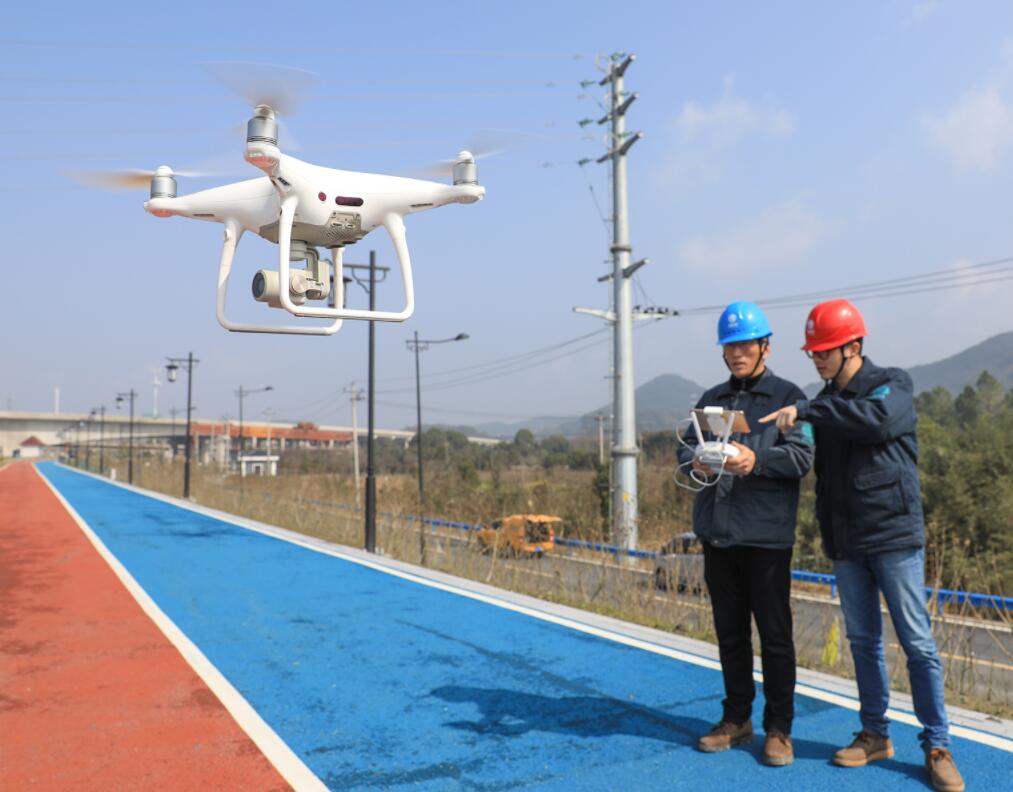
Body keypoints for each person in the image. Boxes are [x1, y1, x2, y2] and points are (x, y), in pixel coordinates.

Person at [760, 298, 964, 792]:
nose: (819, 359)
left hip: (893, 536)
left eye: (826, 350)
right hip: (847, 541)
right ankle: (875, 733)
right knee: (863, 642)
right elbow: (811, 459)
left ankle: (937, 744)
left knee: (916, 642)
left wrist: (808, 408)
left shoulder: (893, 384)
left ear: (855, 345)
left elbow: (875, 420)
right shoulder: (823, 404)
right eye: (814, 353)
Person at [677, 301, 814, 767]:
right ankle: (736, 719)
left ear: (765, 347)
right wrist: (694, 461)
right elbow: (685, 451)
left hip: (766, 539)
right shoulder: (710, 400)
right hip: (718, 534)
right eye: (730, 345)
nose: (737, 353)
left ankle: (780, 728)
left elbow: (801, 459)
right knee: (729, 633)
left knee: (775, 637)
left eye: (745, 344)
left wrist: (756, 460)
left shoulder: (789, 397)